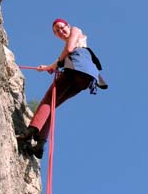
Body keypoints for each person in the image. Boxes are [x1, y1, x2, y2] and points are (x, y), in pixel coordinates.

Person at [20, 18, 107, 159]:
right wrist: (49, 67)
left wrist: (56, 64)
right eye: (57, 31)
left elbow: (70, 49)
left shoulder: (76, 30)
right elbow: (63, 56)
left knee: (48, 100)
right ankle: (40, 144)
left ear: (68, 25)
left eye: (61, 27)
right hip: (85, 76)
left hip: (77, 68)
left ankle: (30, 131)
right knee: (52, 105)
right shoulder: (70, 47)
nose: (61, 31)